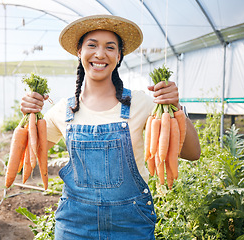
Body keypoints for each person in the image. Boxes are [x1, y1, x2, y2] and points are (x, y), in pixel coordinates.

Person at [20, 15, 200, 240]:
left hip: (131, 225)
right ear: (79, 51)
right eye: (92, 45)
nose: (100, 54)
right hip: (75, 226)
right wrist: (30, 118)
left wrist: (176, 107)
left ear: (119, 55)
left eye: (110, 47)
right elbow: (27, 160)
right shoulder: (61, 111)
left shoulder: (142, 103)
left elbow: (192, 154)